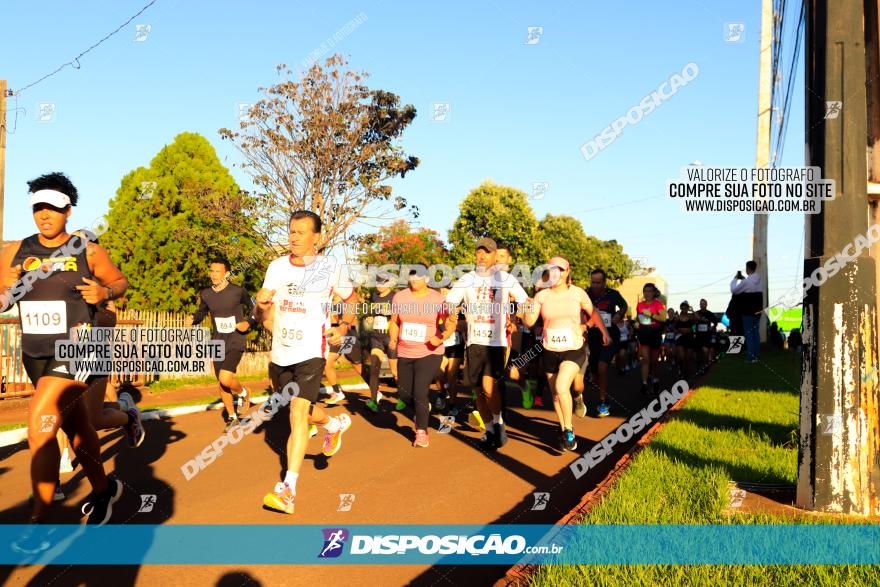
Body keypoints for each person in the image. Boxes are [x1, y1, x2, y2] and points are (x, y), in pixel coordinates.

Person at [0, 173, 128, 545]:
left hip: (77, 347)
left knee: (40, 428)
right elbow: (4, 290)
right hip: (34, 351)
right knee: (78, 431)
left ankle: (41, 523)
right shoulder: (16, 250)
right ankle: (104, 489)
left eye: (53, 208)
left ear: (68, 211)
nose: (45, 215)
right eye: (39, 208)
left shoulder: (85, 249)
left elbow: (119, 282)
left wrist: (104, 291)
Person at [255, 210, 355, 515]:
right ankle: (333, 424)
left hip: (313, 351)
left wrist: (344, 327)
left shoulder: (330, 267)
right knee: (302, 410)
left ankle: (288, 490)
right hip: (281, 353)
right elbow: (264, 316)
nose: (294, 238)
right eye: (291, 232)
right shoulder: (276, 267)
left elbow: (351, 301)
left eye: (300, 232)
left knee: (297, 415)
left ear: (317, 238)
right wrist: (260, 307)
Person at [446, 237, 528, 450]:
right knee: (478, 392)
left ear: (494, 257)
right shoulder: (466, 280)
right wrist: (455, 316)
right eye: (479, 252)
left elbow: (524, 301)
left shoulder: (506, 279)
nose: (482, 256)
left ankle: (499, 423)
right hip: (474, 341)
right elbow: (450, 302)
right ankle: (491, 429)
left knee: (488, 386)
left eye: (487, 252)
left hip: (496, 342)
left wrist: (516, 319)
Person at [523, 256, 596, 451]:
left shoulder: (577, 293)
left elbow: (593, 313)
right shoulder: (542, 296)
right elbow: (529, 323)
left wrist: (586, 326)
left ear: (567, 271)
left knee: (563, 385)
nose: (558, 273)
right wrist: (527, 307)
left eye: (561, 270)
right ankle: (565, 429)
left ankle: (569, 429)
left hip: (574, 348)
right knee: (556, 394)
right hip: (550, 350)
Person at [186, 257, 256, 431]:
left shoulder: (238, 291)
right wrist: (194, 318)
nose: (213, 274)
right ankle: (232, 417)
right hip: (217, 341)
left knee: (226, 378)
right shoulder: (206, 294)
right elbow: (201, 312)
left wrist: (249, 322)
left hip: (236, 338)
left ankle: (243, 392)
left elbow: (255, 308)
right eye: (211, 270)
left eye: (218, 271)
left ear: (227, 273)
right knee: (222, 382)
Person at [388, 268, 456, 447]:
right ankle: (423, 407)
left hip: (430, 351)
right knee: (403, 394)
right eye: (411, 276)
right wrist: (393, 338)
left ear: (426, 278)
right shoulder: (400, 297)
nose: (414, 280)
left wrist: (441, 337)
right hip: (405, 351)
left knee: (420, 390)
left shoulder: (437, 299)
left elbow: (450, 323)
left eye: (418, 276)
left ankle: (421, 432)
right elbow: (394, 321)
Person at [586, 269, 626, 417]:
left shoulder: (612, 294)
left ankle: (602, 402)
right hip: (593, 336)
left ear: (604, 282)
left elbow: (624, 306)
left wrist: (618, 314)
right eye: (593, 282)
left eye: (598, 282)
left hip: (610, 336)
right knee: (595, 370)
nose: (595, 285)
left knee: (603, 366)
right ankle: (604, 396)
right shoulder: (586, 294)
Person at [365, 274, 398, 412]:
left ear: (389, 284)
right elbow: (373, 314)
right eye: (377, 282)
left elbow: (400, 316)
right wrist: (370, 319)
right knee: (374, 369)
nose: (378, 285)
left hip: (389, 337)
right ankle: (373, 400)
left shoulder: (395, 297)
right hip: (376, 337)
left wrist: (394, 339)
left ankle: (406, 397)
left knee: (395, 372)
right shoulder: (374, 297)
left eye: (382, 282)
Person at [322, 308, 364, 405]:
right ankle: (337, 392)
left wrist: (340, 323)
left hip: (348, 338)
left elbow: (353, 322)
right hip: (337, 340)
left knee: (358, 367)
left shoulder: (347, 305)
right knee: (327, 364)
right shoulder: (327, 304)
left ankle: (375, 388)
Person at [634, 283, 667, 394]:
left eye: (649, 291)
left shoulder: (659, 304)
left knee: (654, 361)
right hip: (643, 332)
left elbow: (662, 318)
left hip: (655, 333)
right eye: (645, 291)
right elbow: (639, 318)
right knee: (645, 360)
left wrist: (651, 315)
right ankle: (644, 383)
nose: (647, 293)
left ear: (653, 293)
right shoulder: (640, 305)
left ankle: (655, 380)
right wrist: (637, 324)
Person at [730, 261, 764, 363]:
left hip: (748, 311)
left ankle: (750, 357)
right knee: (755, 333)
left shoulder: (746, 282)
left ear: (748, 268)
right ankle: (756, 356)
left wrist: (735, 279)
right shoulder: (760, 280)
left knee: (749, 334)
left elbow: (734, 290)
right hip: (758, 310)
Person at [673, 301, 699, 378]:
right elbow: (674, 327)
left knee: (688, 358)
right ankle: (681, 370)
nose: (684, 308)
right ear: (681, 307)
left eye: (686, 307)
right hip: (680, 337)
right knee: (682, 357)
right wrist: (678, 331)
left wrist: (693, 310)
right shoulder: (677, 317)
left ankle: (687, 372)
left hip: (689, 337)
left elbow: (698, 318)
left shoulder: (691, 316)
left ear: (688, 308)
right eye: (683, 307)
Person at [694, 299, 719, 364]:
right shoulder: (696, 313)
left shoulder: (710, 314)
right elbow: (692, 322)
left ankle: (706, 365)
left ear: (706, 305)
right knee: (698, 352)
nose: (702, 305)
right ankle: (699, 365)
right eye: (701, 304)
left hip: (707, 336)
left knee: (706, 351)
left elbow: (715, 322)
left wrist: (712, 327)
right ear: (699, 305)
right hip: (698, 335)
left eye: (703, 304)